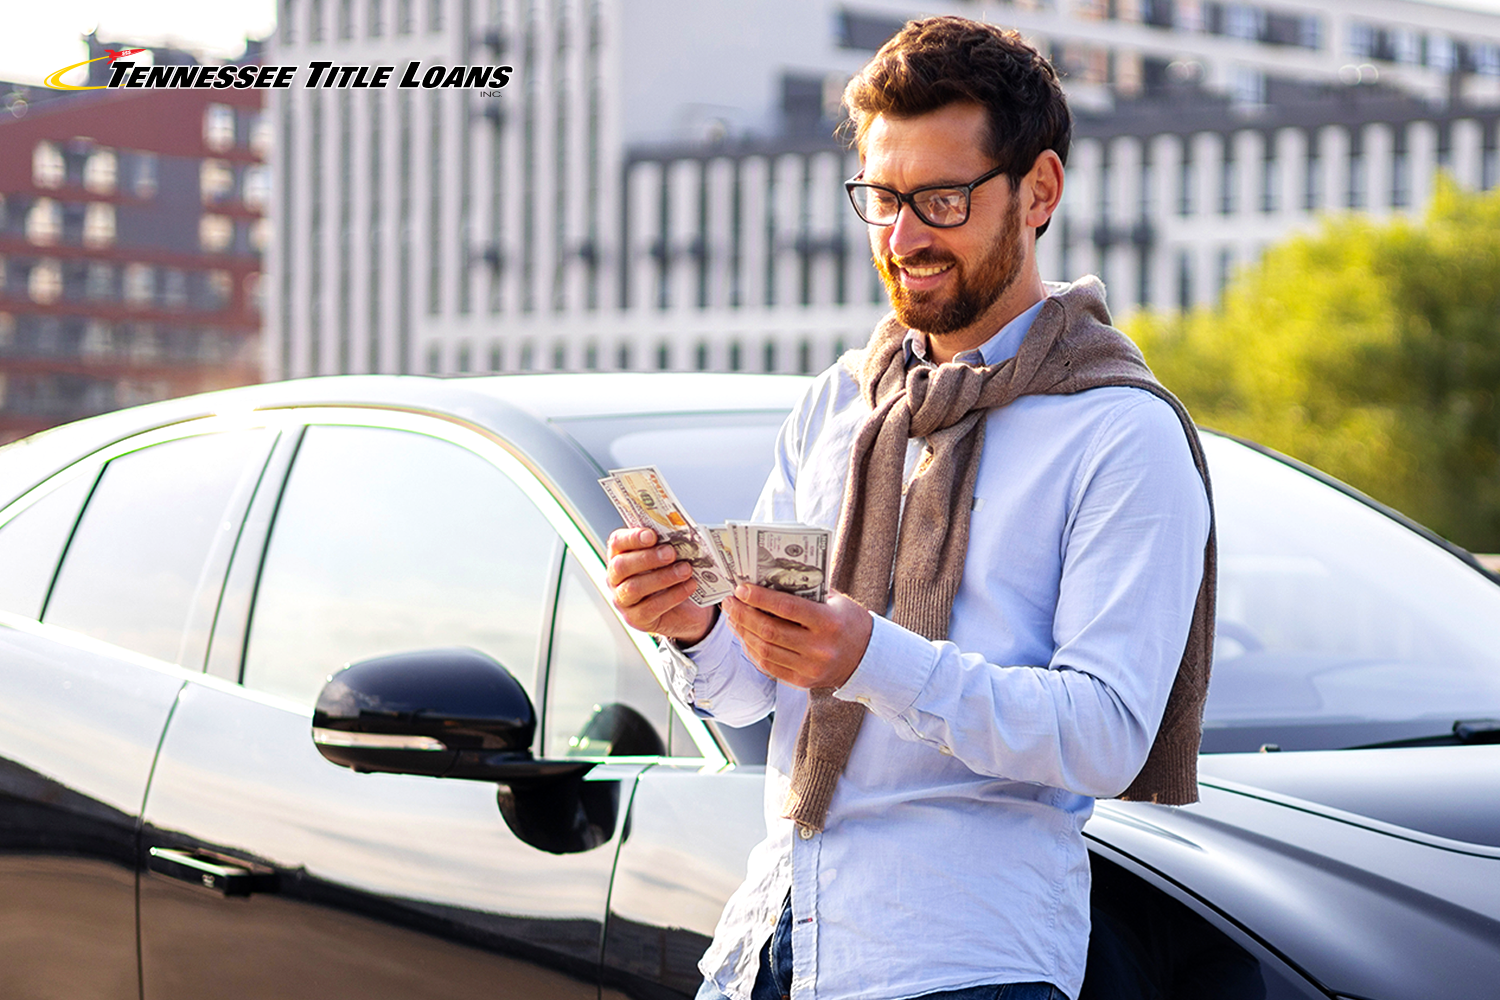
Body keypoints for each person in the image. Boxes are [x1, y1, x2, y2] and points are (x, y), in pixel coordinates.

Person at [607, 16, 1214, 1000]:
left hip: (967, 961)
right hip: (773, 939)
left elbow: (1106, 734)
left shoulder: (1118, 432)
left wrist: (870, 655)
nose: (900, 238)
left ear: (1040, 191)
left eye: (938, 199)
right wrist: (693, 625)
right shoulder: (840, 401)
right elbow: (757, 694)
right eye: (882, 199)